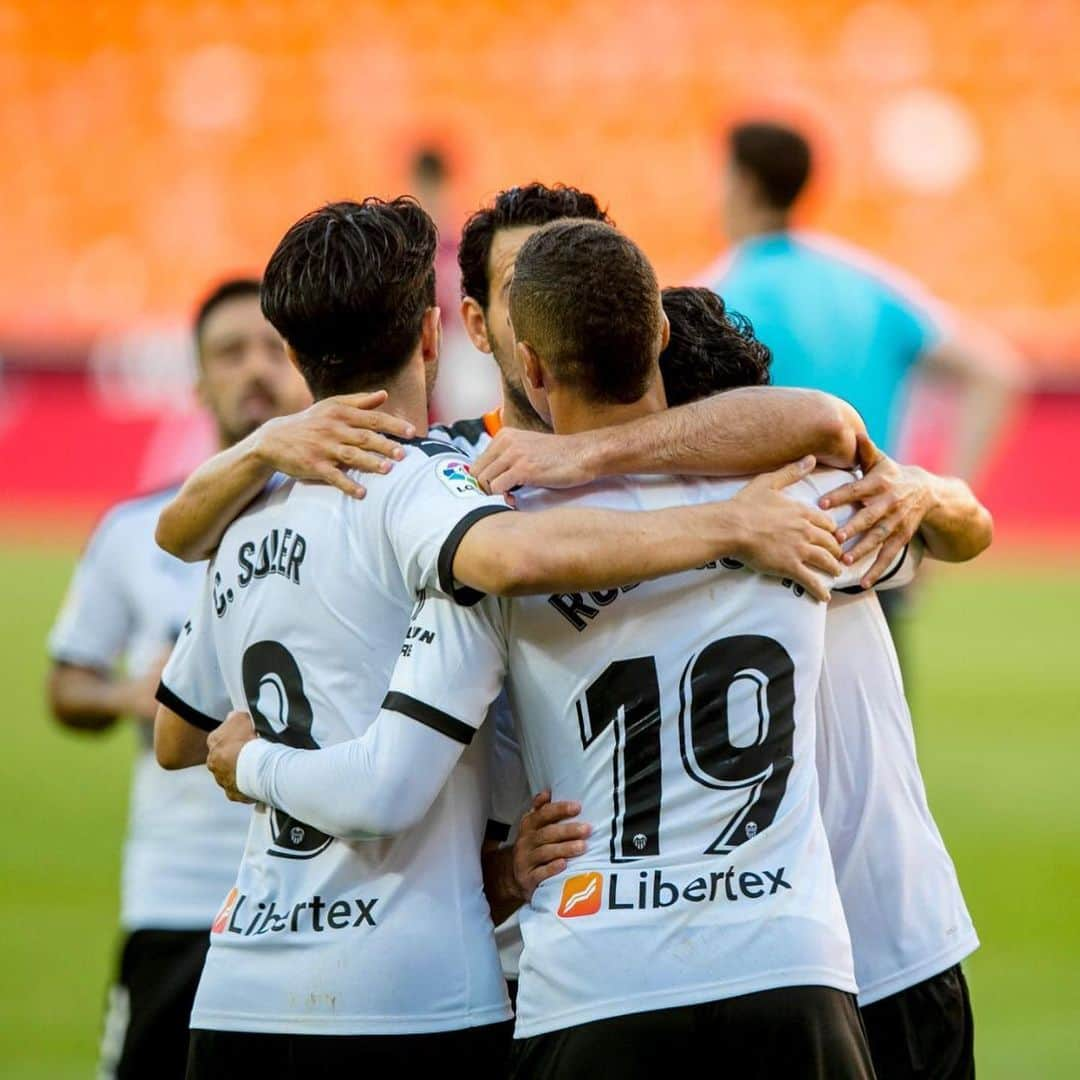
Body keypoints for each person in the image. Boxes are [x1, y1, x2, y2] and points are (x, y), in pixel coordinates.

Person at [203, 220, 930, 1078]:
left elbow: (416, 779)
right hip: (792, 969)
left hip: (594, 979)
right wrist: (918, 489)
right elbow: (856, 444)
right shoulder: (799, 499)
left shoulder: (492, 523)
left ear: (533, 369)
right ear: (657, 332)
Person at [44, 278, 313, 1080]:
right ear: (197, 379)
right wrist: (137, 696)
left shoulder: (361, 523)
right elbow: (66, 684)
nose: (254, 370)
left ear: (305, 369)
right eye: (230, 352)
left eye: (274, 350)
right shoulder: (134, 534)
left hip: (311, 892)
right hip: (175, 895)